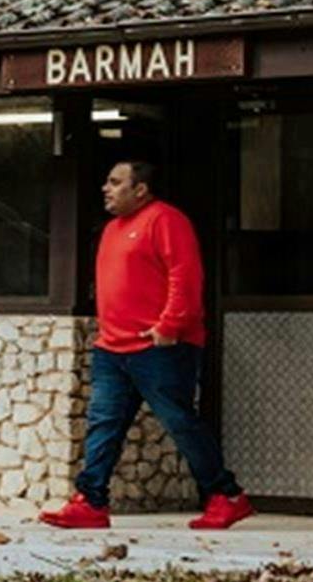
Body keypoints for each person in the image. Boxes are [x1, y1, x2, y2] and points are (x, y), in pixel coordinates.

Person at [41, 160, 254, 532]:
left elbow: (185, 275)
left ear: (140, 189)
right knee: (103, 424)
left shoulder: (165, 220)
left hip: (159, 346)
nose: (106, 189)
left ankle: (227, 496)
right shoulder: (111, 229)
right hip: (112, 348)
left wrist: (170, 325)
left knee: (179, 422)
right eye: (107, 182)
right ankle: (90, 501)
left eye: (115, 182)